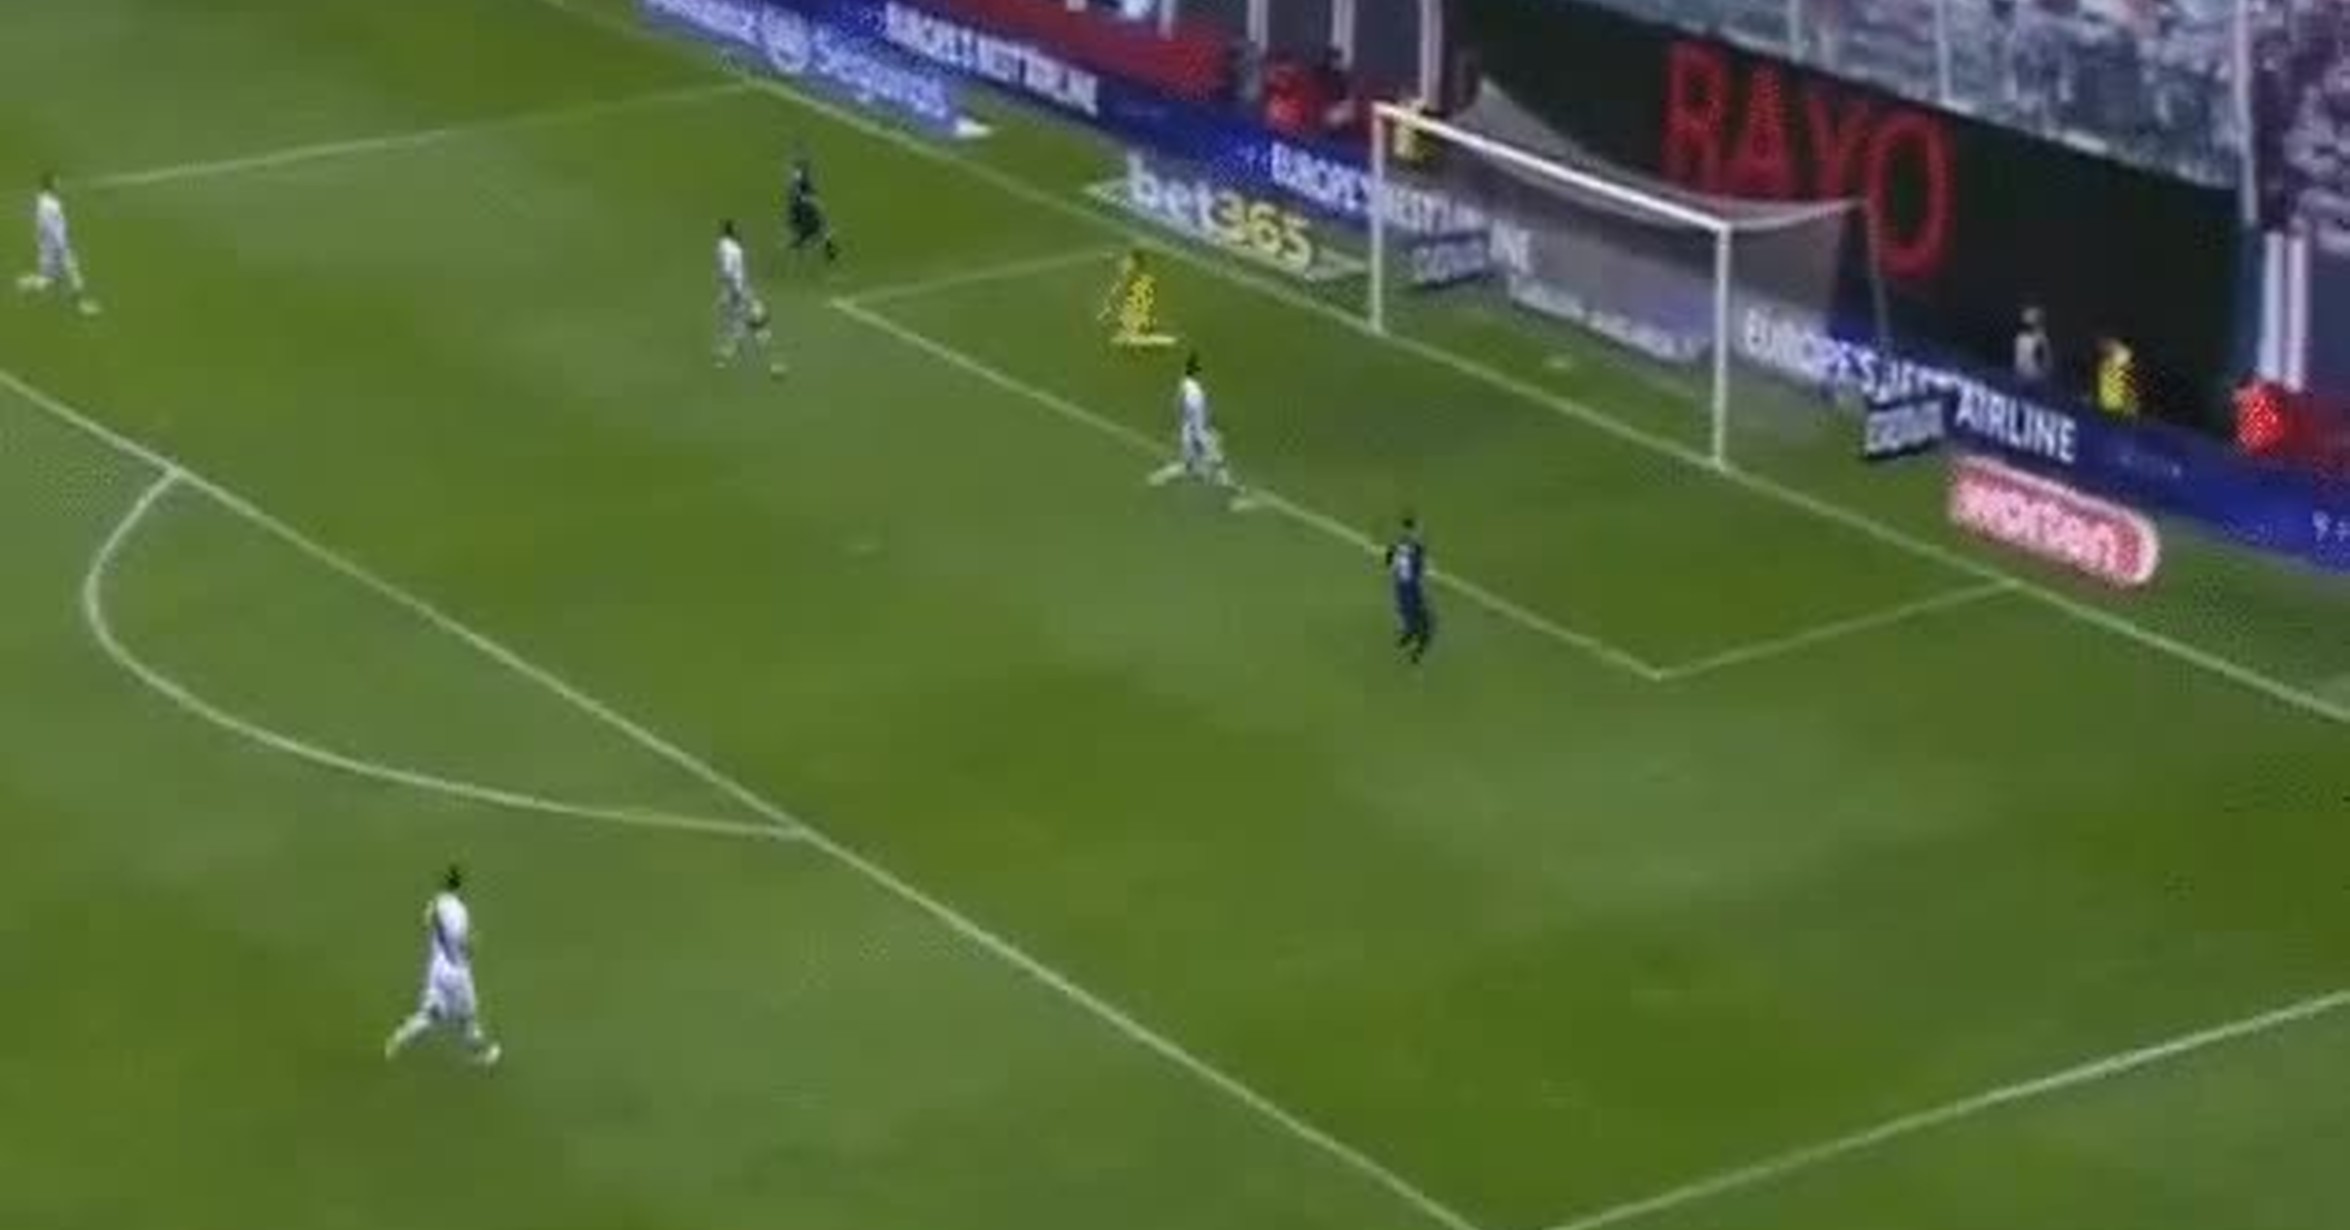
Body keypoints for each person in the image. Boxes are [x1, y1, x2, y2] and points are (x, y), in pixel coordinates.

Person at [383, 865, 503, 1067]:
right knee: (468, 1019)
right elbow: (458, 940)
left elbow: (427, 922)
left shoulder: (437, 902)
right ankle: (482, 1054)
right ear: (459, 886)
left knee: (431, 1014)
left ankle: (398, 1038)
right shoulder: (459, 910)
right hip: (457, 972)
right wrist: (471, 944)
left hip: (436, 968)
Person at [1148, 351, 1248, 509]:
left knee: (1204, 464)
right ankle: (1238, 493)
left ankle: (1237, 492)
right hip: (1197, 430)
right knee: (1211, 464)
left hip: (1194, 429)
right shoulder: (1191, 388)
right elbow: (1189, 408)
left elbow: (1181, 406)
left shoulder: (1187, 385)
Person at [17, 173, 99, 316]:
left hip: (48, 245)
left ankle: (27, 283)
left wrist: (43, 241)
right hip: (57, 246)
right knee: (74, 274)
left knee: (50, 278)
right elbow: (53, 228)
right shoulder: (50, 205)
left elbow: (43, 226)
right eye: (57, 182)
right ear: (50, 185)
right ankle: (82, 306)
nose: (59, 185)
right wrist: (62, 246)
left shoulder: (43, 201)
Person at [715, 219, 782, 375]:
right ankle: (773, 364)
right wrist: (737, 292)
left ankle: (726, 356)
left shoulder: (723, 245)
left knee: (741, 323)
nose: (739, 232)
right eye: (736, 230)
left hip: (735, 291)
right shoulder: (733, 250)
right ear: (732, 233)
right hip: (738, 291)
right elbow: (728, 272)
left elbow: (726, 271)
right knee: (757, 322)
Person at [1098, 247, 1175, 349]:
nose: (1122, 266)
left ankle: (1134, 332)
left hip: (1136, 318)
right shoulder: (1126, 284)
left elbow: (1167, 340)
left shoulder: (1142, 283)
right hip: (1134, 319)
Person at [1386, 514, 1433, 664]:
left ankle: (1408, 636)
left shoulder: (1398, 545)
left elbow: (1389, 561)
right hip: (1411, 588)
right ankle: (1416, 651)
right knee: (1426, 624)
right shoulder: (1414, 548)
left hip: (1401, 587)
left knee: (1408, 616)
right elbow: (1420, 564)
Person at [785, 153, 839, 266]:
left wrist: (802, 198)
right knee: (821, 226)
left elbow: (799, 191)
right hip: (806, 203)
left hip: (804, 203)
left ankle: (826, 249)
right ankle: (828, 250)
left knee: (816, 225)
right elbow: (801, 191)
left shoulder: (799, 177)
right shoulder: (800, 177)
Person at [2012, 305, 2052, 387]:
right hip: (2023, 378)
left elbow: (2046, 363)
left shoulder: (2041, 340)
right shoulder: (2021, 338)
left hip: (2036, 380)